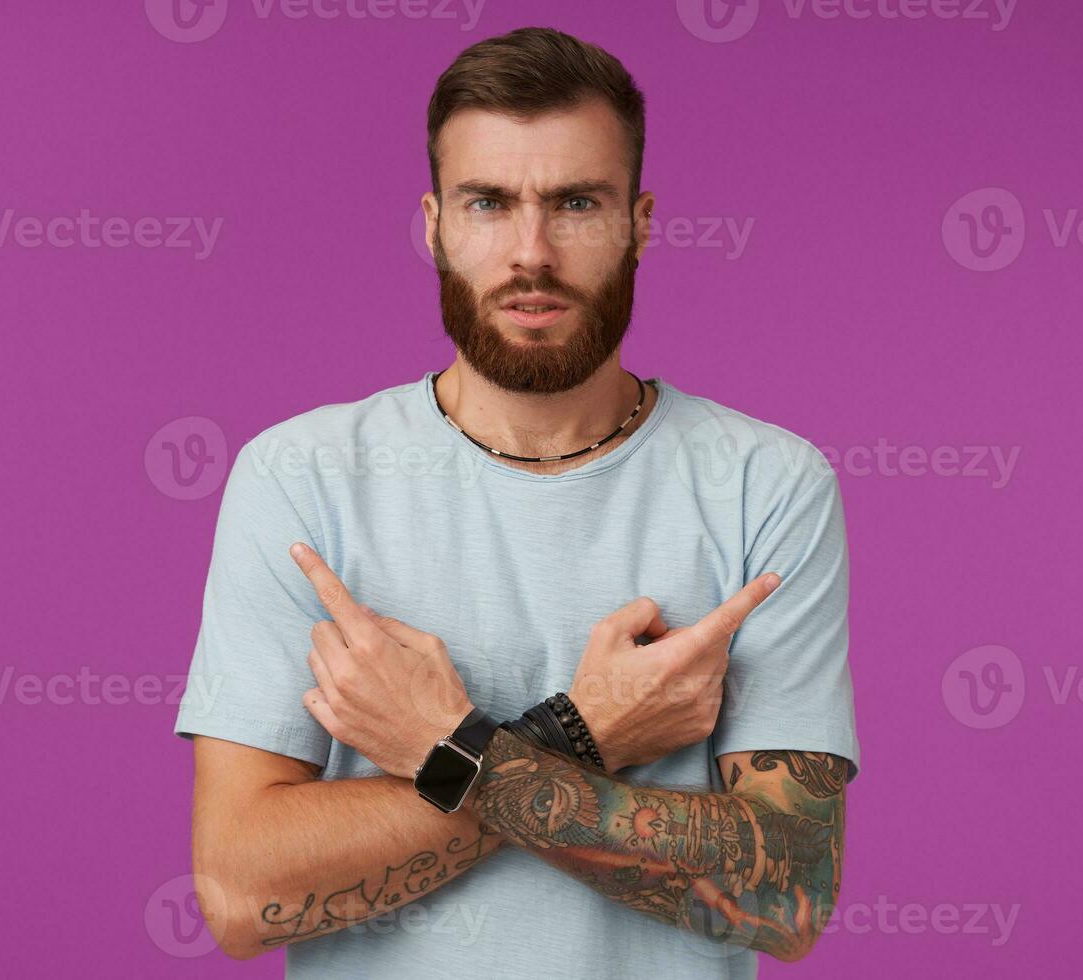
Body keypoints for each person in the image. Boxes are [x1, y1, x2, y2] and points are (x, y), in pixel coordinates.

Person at [173, 25, 859, 979]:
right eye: (488, 203)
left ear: (640, 222)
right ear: (435, 225)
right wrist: (587, 735)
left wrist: (450, 750)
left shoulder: (766, 486)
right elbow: (244, 897)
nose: (531, 252)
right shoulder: (300, 478)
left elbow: (784, 900)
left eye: (577, 202)